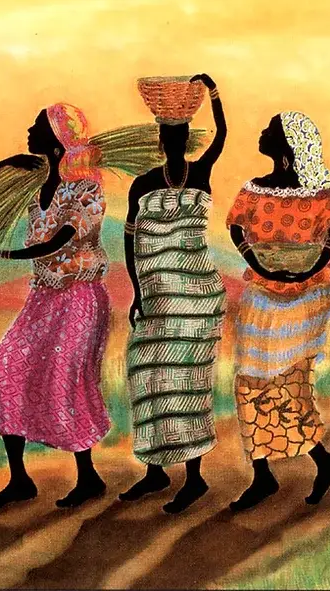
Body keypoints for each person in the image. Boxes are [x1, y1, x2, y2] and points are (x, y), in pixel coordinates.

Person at [0, 103, 111, 510]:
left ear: (58, 139)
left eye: (38, 126)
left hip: (79, 296)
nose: (30, 130)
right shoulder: (36, 185)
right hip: (44, 297)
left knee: (64, 378)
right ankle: (19, 479)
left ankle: (88, 476)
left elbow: (57, 242)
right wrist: (7, 163)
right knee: (8, 363)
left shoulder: (85, 190)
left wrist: (1, 254)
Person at [225, 111, 330, 512]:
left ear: (287, 146)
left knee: (288, 380)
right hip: (262, 293)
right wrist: (259, 265)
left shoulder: (321, 194)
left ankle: (322, 459)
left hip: (307, 296)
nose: (261, 133)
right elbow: (236, 229)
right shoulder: (253, 188)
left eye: (270, 130)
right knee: (249, 380)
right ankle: (263, 474)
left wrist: (308, 269)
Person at [120, 73, 227, 514]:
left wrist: (214, 92)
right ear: (162, 143)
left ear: (185, 139)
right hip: (158, 295)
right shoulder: (143, 183)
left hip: (196, 295)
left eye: (180, 136)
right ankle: (155, 470)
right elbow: (130, 241)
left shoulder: (200, 172)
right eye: (171, 137)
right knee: (146, 373)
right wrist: (137, 290)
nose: (175, 143)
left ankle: (194, 477)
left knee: (189, 381)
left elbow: (222, 135)